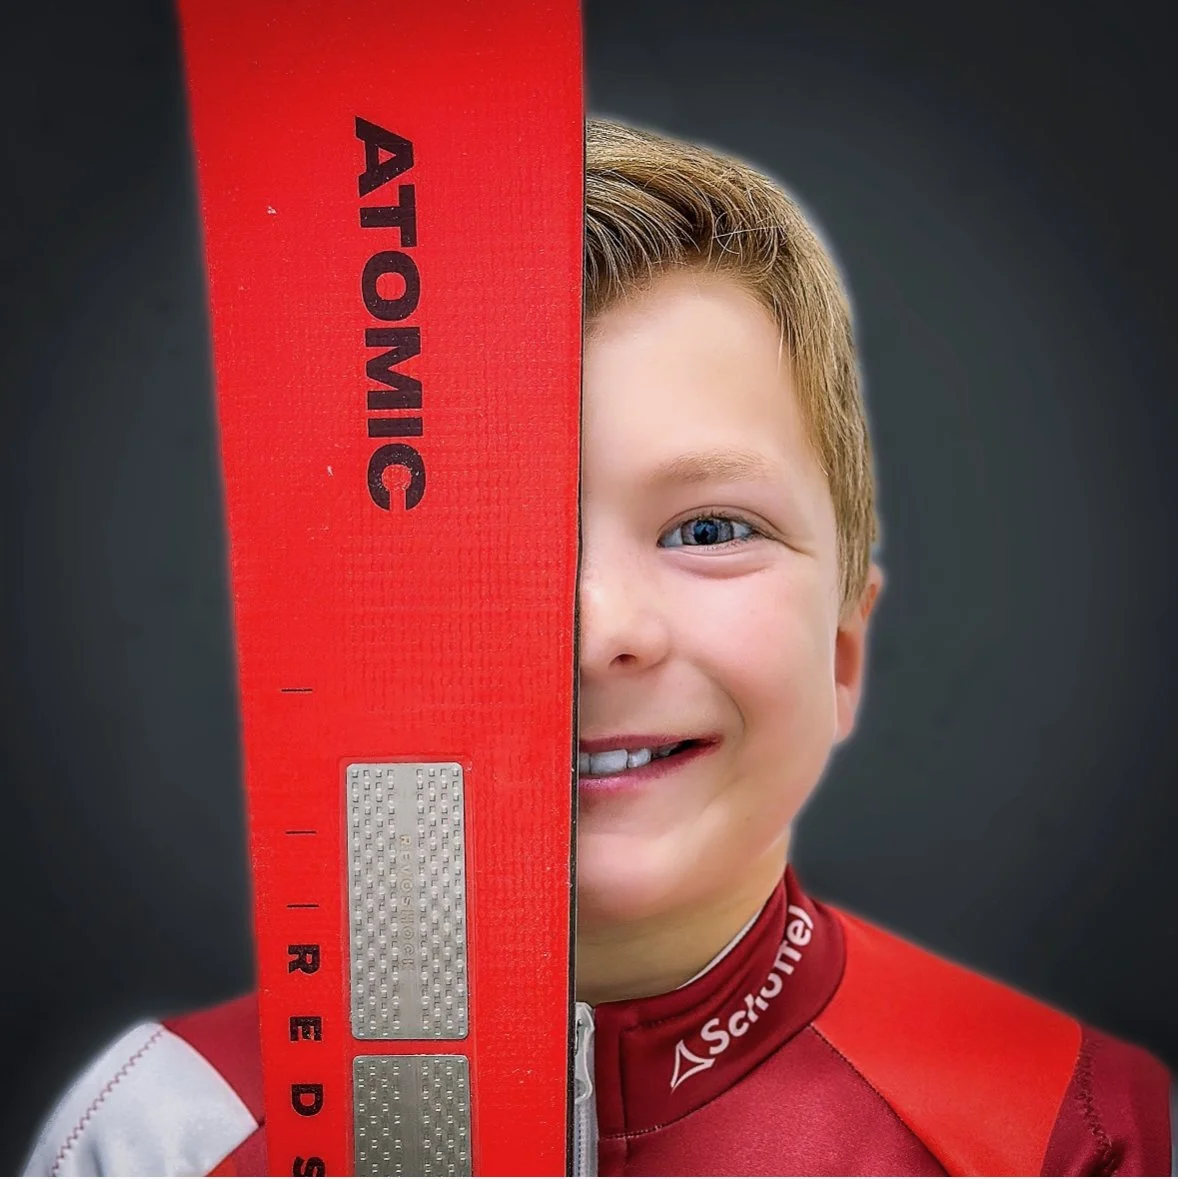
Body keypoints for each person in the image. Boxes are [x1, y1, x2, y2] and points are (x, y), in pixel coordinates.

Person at [22, 118, 1175, 1177]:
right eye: (486, 534)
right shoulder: (167, 1132)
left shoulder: (1074, 1129)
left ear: (842, 651)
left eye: (711, 530)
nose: (595, 633)